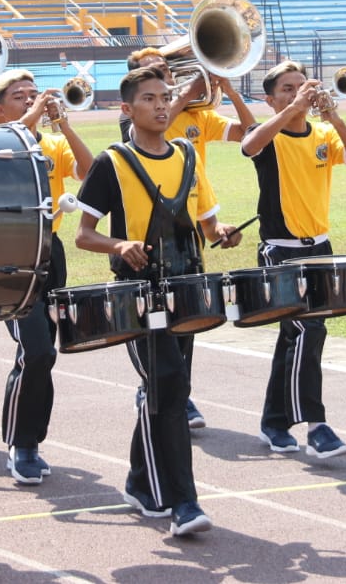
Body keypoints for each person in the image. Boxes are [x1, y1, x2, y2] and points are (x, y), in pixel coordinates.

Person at [75, 66, 240, 536]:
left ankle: (139, 479)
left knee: (168, 388)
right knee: (167, 384)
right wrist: (118, 245)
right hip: (138, 293)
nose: (162, 104)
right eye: (149, 98)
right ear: (127, 109)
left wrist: (222, 233)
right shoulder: (114, 162)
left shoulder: (188, 154)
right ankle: (182, 501)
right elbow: (84, 235)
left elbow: (207, 225)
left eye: (166, 97)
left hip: (188, 289)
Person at [122, 45, 257, 429]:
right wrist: (191, 87)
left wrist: (229, 91)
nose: (166, 78)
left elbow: (248, 134)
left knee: (187, 321)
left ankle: (180, 394)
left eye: (167, 71)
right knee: (155, 323)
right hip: (149, 238)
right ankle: (157, 388)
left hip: (191, 226)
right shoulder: (135, 125)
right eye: (154, 75)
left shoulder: (198, 115)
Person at [241, 60, 346, 459]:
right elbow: (250, 146)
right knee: (307, 331)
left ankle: (274, 422)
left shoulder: (323, 134)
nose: (299, 92)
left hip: (320, 249)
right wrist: (292, 109)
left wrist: (334, 116)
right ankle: (316, 425)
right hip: (280, 248)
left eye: (301, 85)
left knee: (297, 336)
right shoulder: (269, 134)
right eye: (287, 88)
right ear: (270, 98)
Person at [0, 69, 93, 484]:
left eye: (34, 94)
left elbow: (89, 171)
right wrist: (32, 113)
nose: (32, 100)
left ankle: (31, 438)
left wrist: (63, 122)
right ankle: (21, 443)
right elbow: (10, 138)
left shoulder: (51, 142)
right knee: (36, 351)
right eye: (20, 96)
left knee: (45, 353)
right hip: (12, 254)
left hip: (52, 251)